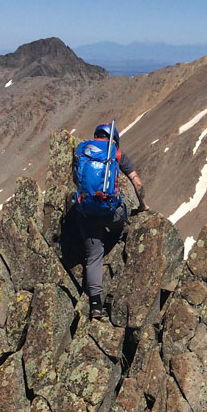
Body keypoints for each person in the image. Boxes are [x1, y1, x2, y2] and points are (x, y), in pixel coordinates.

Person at [75, 122, 147, 319]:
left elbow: (78, 180)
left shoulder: (82, 149)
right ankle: (115, 238)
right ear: (113, 138)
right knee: (120, 216)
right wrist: (143, 206)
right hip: (109, 213)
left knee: (93, 256)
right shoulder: (115, 153)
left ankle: (95, 305)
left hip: (86, 212)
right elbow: (136, 182)